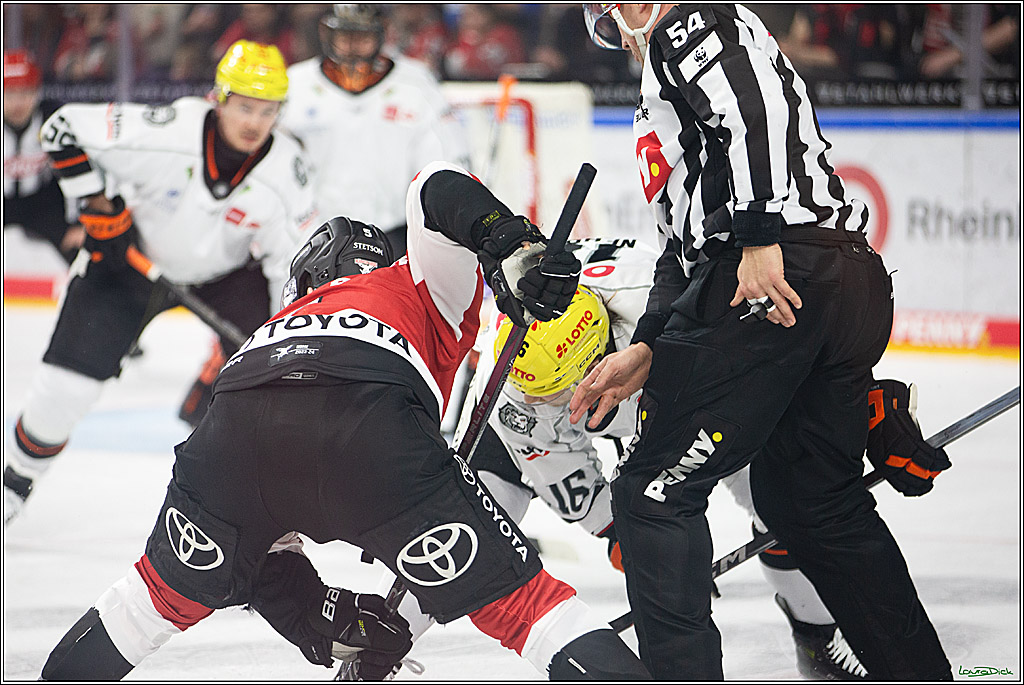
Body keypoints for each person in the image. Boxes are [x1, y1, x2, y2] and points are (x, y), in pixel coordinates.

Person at [39, 161, 652, 681]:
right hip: (372, 423)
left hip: (236, 423)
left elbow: (259, 534)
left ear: (303, 282)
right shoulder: (414, 283)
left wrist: (316, 614)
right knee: (532, 610)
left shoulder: (277, 325)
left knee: (142, 606)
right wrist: (513, 244)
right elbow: (435, 187)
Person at [572, 4, 953, 680]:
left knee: (652, 492)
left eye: (615, 22)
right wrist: (650, 344)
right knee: (806, 498)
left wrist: (757, 234)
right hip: (844, 277)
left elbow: (754, 112)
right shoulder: (667, 85)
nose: (621, 42)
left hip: (776, 276)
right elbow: (678, 247)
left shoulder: (686, 23)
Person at [368, 236, 875, 679]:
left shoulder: (671, 309)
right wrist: (630, 541)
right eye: (548, 396)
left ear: (605, 348)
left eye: (569, 391)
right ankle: (375, 650)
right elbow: (575, 483)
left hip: (675, 378)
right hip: (532, 424)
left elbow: (778, 357)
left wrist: (857, 406)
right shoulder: (516, 395)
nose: (563, 407)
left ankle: (816, 635)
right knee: (455, 531)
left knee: (774, 489)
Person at [3, 41, 319, 526]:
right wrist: (93, 202)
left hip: (224, 277)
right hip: (126, 266)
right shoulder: (167, 131)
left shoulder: (287, 171)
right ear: (220, 99)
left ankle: (258, 506)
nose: (255, 122)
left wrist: (287, 337)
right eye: (246, 107)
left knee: (275, 376)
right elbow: (61, 127)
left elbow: (289, 266)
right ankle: (13, 485)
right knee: (61, 396)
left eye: (269, 110)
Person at [281, 4, 470, 259]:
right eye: (345, 35)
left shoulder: (416, 83)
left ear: (381, 33)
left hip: (395, 236)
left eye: (363, 36)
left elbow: (445, 163)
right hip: (314, 236)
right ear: (327, 33)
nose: (353, 45)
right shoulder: (295, 84)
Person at [3, 49, 84, 264]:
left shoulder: (52, 121)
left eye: (25, 93)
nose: (17, 103)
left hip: (43, 202)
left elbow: (74, 171)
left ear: (37, 93)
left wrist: (76, 223)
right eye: (9, 95)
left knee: (80, 251)